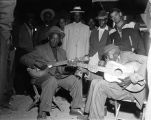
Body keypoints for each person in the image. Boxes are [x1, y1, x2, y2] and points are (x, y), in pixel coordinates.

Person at [21, 26, 83, 120]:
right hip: (44, 78)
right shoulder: (40, 49)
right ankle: (43, 112)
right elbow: (23, 58)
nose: (55, 40)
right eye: (53, 38)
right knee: (51, 80)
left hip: (59, 77)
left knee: (76, 80)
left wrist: (70, 68)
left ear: (60, 40)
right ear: (49, 38)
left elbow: (63, 70)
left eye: (57, 38)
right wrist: (35, 63)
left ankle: (75, 108)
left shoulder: (62, 52)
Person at [80, 44, 147, 120]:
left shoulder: (127, 55)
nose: (107, 60)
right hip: (119, 88)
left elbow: (148, 60)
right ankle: (88, 114)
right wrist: (87, 72)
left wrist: (133, 78)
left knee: (101, 85)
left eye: (107, 57)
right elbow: (105, 78)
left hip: (133, 89)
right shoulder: (111, 63)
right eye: (106, 58)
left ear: (113, 53)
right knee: (95, 82)